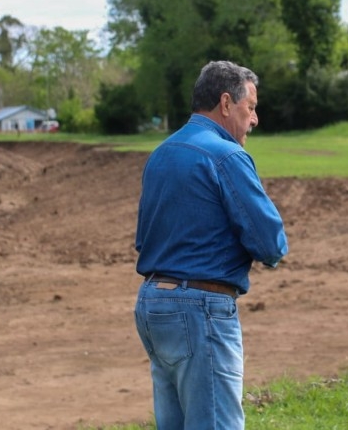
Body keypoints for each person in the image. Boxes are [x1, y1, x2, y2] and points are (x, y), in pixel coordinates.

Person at [133, 60, 288, 430]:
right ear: (225, 103)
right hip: (200, 307)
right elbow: (270, 243)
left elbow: (144, 240)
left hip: (154, 303)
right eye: (250, 108)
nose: (254, 119)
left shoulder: (161, 154)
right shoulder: (227, 155)